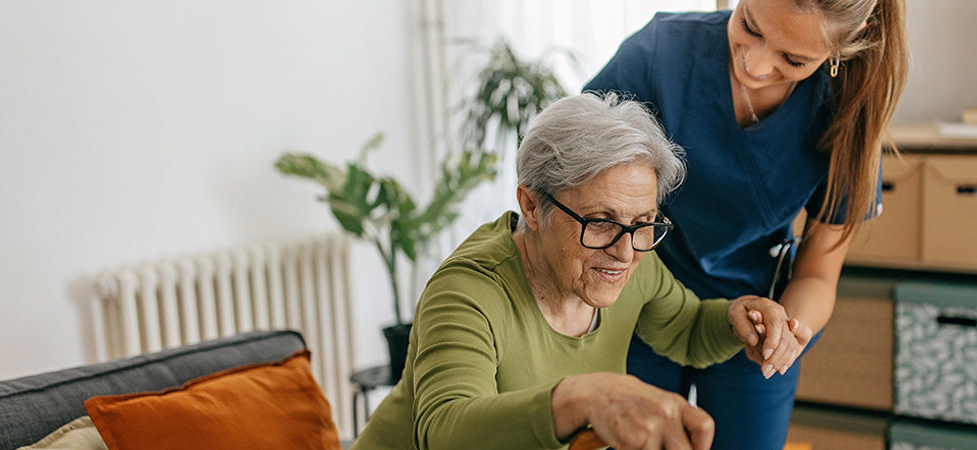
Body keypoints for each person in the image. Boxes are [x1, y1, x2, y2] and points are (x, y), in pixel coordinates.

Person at [350, 92, 806, 450]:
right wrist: (580, 397)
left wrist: (736, 319)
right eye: (601, 222)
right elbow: (444, 432)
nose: (626, 252)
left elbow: (684, 330)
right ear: (531, 205)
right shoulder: (467, 293)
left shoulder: (628, 264)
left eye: (644, 223)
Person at [583, 0, 909, 447]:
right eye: (749, 25)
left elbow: (817, 275)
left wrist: (786, 332)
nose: (754, 65)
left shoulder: (847, 116)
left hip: (756, 315)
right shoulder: (660, 54)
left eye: (793, 59)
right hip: (640, 303)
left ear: (836, 53)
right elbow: (572, 180)